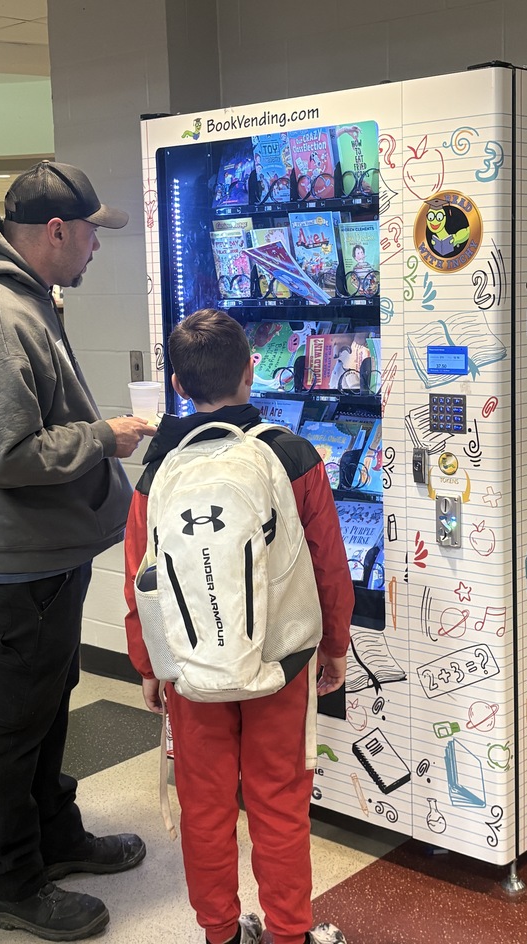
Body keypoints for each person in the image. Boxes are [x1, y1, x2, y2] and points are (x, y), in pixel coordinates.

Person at [0, 160, 157, 941]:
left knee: (42, 704)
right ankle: (14, 883)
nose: (98, 245)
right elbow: (7, 454)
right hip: (23, 556)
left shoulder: (23, 299)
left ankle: (54, 837)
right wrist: (107, 438)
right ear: (56, 230)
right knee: (13, 720)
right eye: (93, 230)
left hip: (46, 550)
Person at [123, 308, 354, 944]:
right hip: (280, 662)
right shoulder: (291, 453)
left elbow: (139, 578)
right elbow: (328, 564)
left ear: (176, 384)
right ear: (252, 371)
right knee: (280, 801)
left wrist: (148, 666)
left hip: (192, 671)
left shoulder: (159, 470)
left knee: (205, 805)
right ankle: (288, 933)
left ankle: (220, 933)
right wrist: (333, 646)